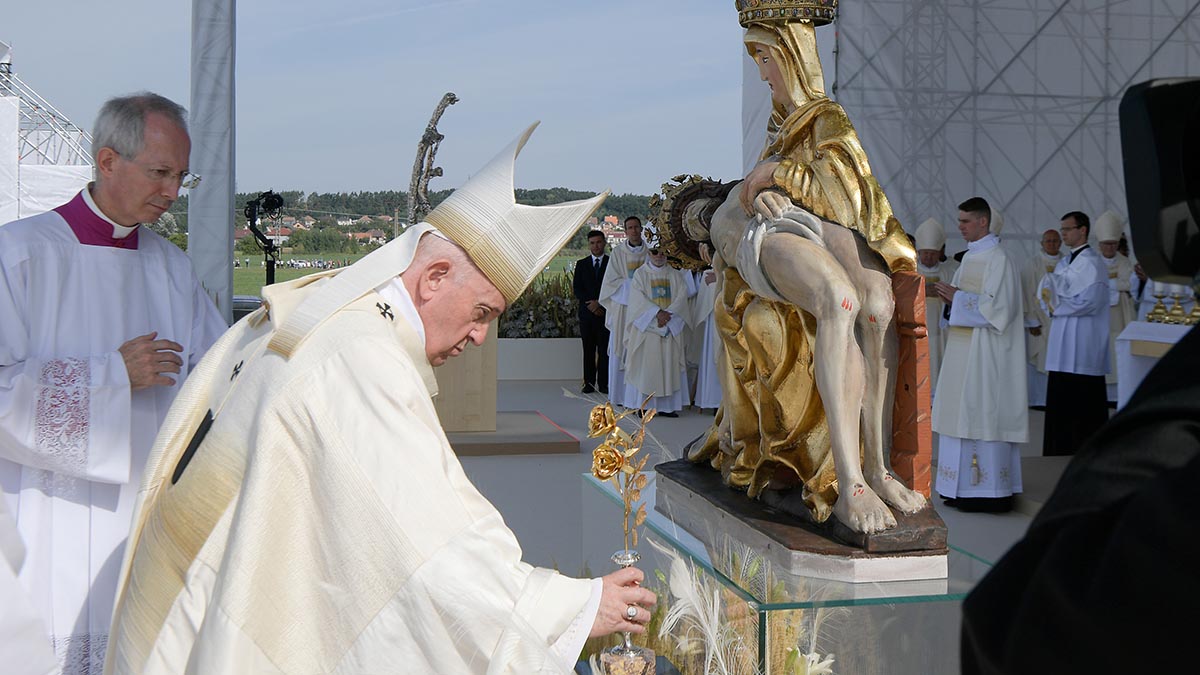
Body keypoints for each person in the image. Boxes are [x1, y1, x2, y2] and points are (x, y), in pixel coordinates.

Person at [103, 124, 656, 675]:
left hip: (180, 606)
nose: (481, 337)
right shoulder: (361, 359)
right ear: (435, 276)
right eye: (482, 312)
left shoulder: (328, 310)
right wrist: (576, 607)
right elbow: (435, 554)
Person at [0, 92, 226, 674]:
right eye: (159, 173)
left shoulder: (170, 268)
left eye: (181, 175)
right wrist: (109, 376)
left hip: (142, 516)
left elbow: (216, 376)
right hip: (46, 513)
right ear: (106, 161)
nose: (173, 192)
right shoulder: (18, 255)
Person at [686, 8, 927, 534]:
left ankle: (878, 468)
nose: (763, 73)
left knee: (879, 307)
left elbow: (850, 195)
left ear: (793, 59)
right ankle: (850, 481)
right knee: (840, 301)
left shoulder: (822, 119)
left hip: (808, 222)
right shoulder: (758, 165)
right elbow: (757, 195)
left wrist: (774, 176)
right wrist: (762, 184)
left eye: (767, 59)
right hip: (770, 234)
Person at [930, 198, 1027, 512]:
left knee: (980, 413)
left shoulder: (999, 259)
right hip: (962, 350)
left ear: (983, 222)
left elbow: (1000, 310)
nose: (959, 227)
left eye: (965, 221)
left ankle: (987, 491)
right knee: (958, 416)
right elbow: (958, 304)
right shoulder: (969, 259)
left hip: (987, 355)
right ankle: (956, 486)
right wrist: (950, 301)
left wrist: (958, 299)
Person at [1038, 211, 1110, 455]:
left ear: (1083, 230)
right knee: (1062, 401)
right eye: (1062, 230)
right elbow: (1050, 292)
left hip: (1084, 343)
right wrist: (1051, 303)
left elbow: (1092, 301)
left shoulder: (1092, 263)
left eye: (1067, 229)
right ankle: (1059, 450)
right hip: (1062, 342)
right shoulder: (1064, 262)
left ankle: (1085, 452)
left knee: (1083, 403)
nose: (1063, 234)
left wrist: (1058, 306)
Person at [623, 243, 693, 417]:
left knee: (669, 366)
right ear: (649, 253)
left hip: (669, 327)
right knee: (646, 368)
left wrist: (668, 316)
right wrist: (657, 314)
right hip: (648, 330)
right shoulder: (640, 274)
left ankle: (667, 407)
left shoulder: (675, 275)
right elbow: (637, 300)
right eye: (655, 252)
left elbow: (681, 297)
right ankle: (643, 406)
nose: (659, 256)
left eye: (663, 253)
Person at [598, 216, 647, 408]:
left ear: (641, 229)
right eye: (630, 228)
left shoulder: (650, 253)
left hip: (643, 310)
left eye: (636, 227)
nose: (633, 231)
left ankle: (638, 397)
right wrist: (634, 286)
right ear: (625, 231)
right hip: (623, 310)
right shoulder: (618, 253)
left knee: (640, 351)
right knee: (620, 348)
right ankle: (618, 396)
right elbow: (610, 283)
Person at [1093, 211, 1137, 402]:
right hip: (1098, 314)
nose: (1110, 247)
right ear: (1100, 244)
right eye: (1106, 244)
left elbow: (1130, 284)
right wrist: (1116, 283)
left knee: (1117, 350)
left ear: (1118, 244)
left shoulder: (1124, 261)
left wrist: (1108, 283)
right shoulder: (1092, 261)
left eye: (1113, 244)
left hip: (1120, 314)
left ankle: (1117, 395)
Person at [913, 217, 958, 393]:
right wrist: (922, 290)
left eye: (932, 253)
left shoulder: (951, 269)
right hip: (918, 327)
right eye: (925, 252)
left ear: (940, 252)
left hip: (943, 330)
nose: (928, 257)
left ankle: (940, 393)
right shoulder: (910, 269)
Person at [1022, 229, 1063, 408]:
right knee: (1038, 358)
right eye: (1048, 241)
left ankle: (1057, 398)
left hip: (1061, 320)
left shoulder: (1067, 263)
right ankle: (1038, 399)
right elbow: (1026, 292)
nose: (1052, 244)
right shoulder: (1032, 264)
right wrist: (1031, 321)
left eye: (1055, 241)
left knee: (1060, 359)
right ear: (1042, 243)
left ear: (1060, 243)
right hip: (1038, 321)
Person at [572, 229, 609, 394]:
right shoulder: (581, 264)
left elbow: (613, 287)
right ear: (589, 245)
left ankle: (604, 383)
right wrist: (591, 305)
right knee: (588, 350)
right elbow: (577, 289)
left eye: (599, 242)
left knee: (604, 351)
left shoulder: (611, 263)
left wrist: (600, 304)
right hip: (587, 315)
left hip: (605, 314)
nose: (596, 246)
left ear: (604, 243)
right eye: (593, 243)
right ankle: (588, 383)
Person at [690, 267, 722, 412]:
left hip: (731, 319)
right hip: (713, 322)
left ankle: (724, 402)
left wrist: (721, 279)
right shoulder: (707, 274)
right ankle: (712, 402)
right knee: (712, 359)